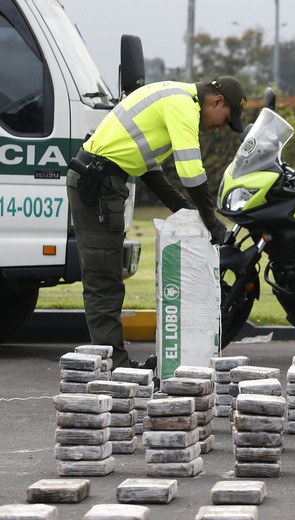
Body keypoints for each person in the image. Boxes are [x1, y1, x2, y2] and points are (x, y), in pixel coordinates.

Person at [66, 76, 248, 370]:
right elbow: (191, 171)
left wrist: (182, 207)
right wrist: (212, 222)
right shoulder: (184, 106)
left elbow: (149, 167)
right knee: (104, 280)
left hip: (101, 181)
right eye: (225, 119)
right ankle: (115, 369)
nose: (220, 127)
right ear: (216, 101)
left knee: (106, 277)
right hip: (99, 185)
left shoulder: (173, 95)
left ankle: (113, 364)